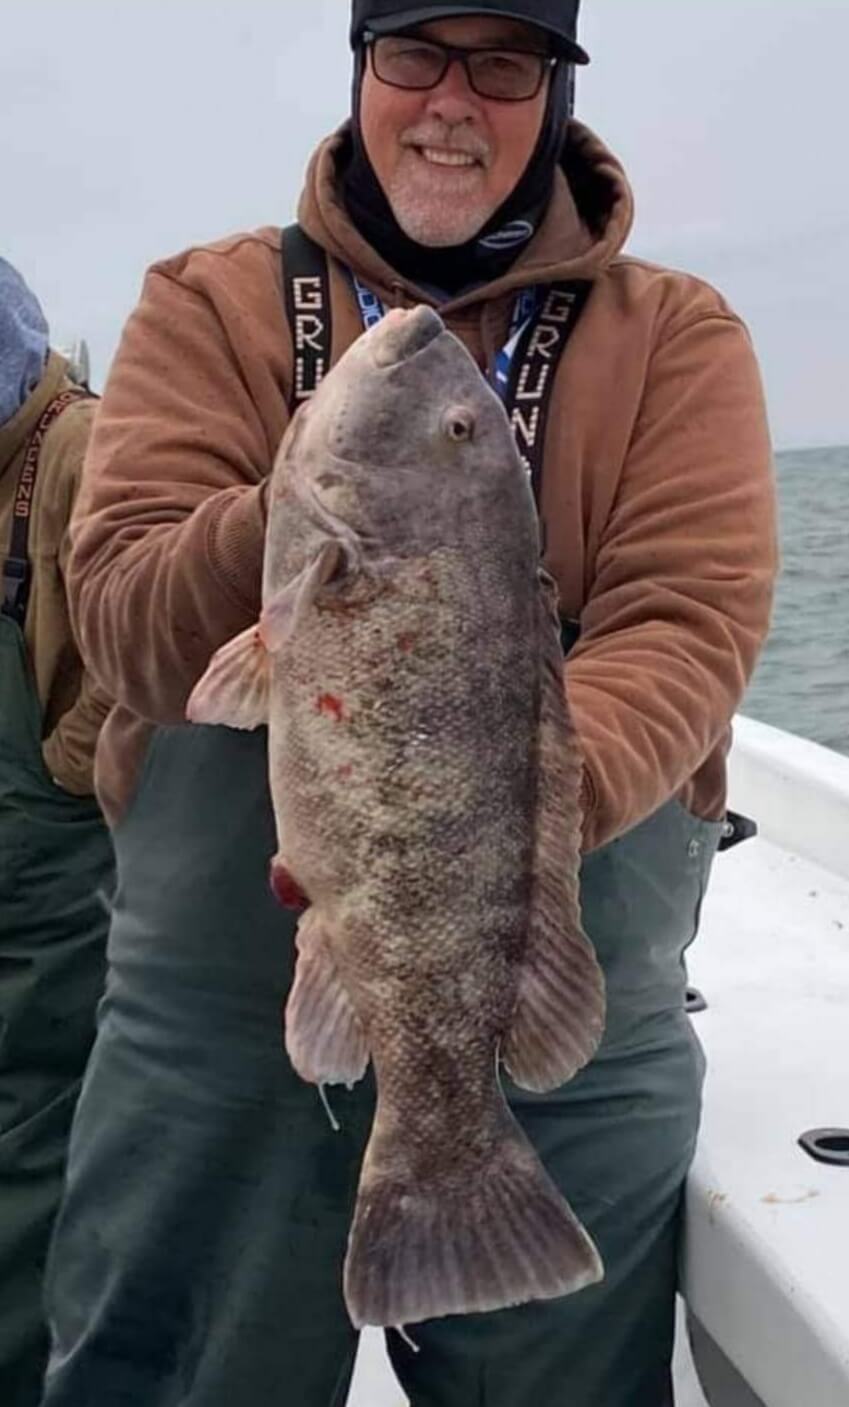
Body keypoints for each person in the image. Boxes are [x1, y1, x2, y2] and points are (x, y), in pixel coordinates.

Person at [40, 3, 778, 1404]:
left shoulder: (674, 333)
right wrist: (302, 514)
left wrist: (490, 814)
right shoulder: (207, 302)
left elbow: (687, 624)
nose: (452, 100)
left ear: (552, 94)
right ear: (362, 70)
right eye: (414, 56)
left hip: (553, 990)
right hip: (216, 1013)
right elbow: (126, 624)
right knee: (172, 1371)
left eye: (501, 64)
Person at [0, 259, 113, 1407]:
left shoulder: (81, 449)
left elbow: (137, 657)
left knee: (34, 1141)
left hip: (56, 874)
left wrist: (61, 771)